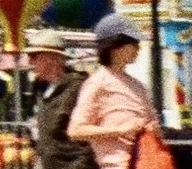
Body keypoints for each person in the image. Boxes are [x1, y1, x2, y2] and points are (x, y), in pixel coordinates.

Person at [66, 14, 158, 169]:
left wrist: (153, 129)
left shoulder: (138, 86)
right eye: (134, 43)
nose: (138, 49)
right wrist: (121, 130)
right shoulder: (97, 83)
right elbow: (76, 130)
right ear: (115, 46)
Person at [27, 31, 97, 169]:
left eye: (34, 56)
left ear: (53, 58)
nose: (30, 62)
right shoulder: (39, 88)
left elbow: (88, 139)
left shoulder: (78, 88)